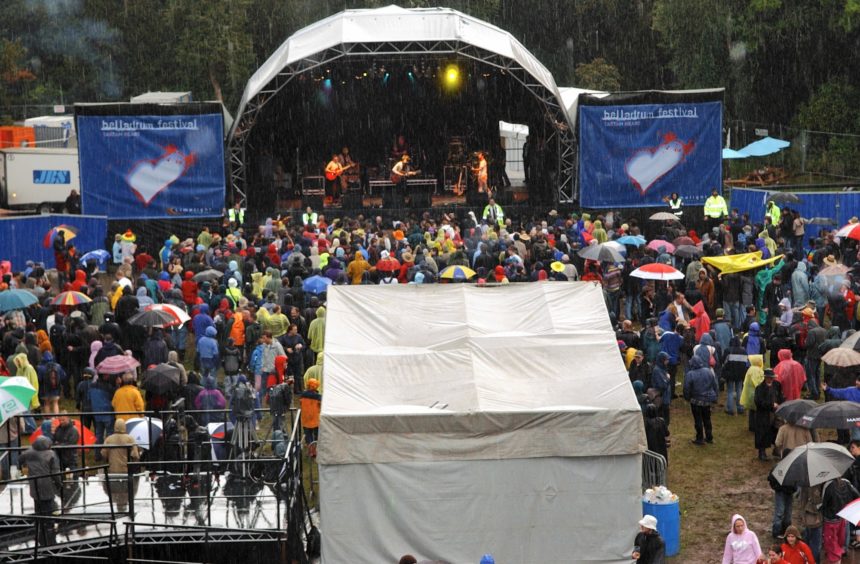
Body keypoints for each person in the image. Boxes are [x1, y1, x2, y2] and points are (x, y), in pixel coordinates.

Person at [683, 343, 718, 445]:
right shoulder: (708, 371)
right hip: (707, 400)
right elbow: (714, 384)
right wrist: (714, 396)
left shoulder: (690, 374)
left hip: (696, 401)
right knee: (707, 419)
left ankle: (700, 438)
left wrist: (687, 398)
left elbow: (686, 388)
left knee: (698, 420)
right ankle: (709, 437)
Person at [18, 436, 61, 517]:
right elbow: (55, 472)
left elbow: (20, 460)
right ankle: (49, 525)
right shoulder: (51, 454)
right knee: (49, 507)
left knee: (37, 505)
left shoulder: (28, 453)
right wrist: (59, 484)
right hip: (47, 485)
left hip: (33, 483)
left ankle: (39, 524)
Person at [755, 369, 784, 461]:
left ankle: (776, 450)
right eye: (768, 378)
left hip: (776, 414)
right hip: (763, 415)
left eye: (772, 378)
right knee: (762, 433)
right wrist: (771, 405)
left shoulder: (777, 385)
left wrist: (780, 403)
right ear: (765, 378)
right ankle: (762, 452)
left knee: (777, 431)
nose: (770, 379)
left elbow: (780, 397)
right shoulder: (759, 388)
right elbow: (758, 402)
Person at [300, 378, 322, 456]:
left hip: (306, 419)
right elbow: (321, 406)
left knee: (308, 436)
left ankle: (310, 451)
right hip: (315, 420)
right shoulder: (318, 396)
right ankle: (316, 451)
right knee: (316, 435)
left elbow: (301, 404)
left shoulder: (302, 395)